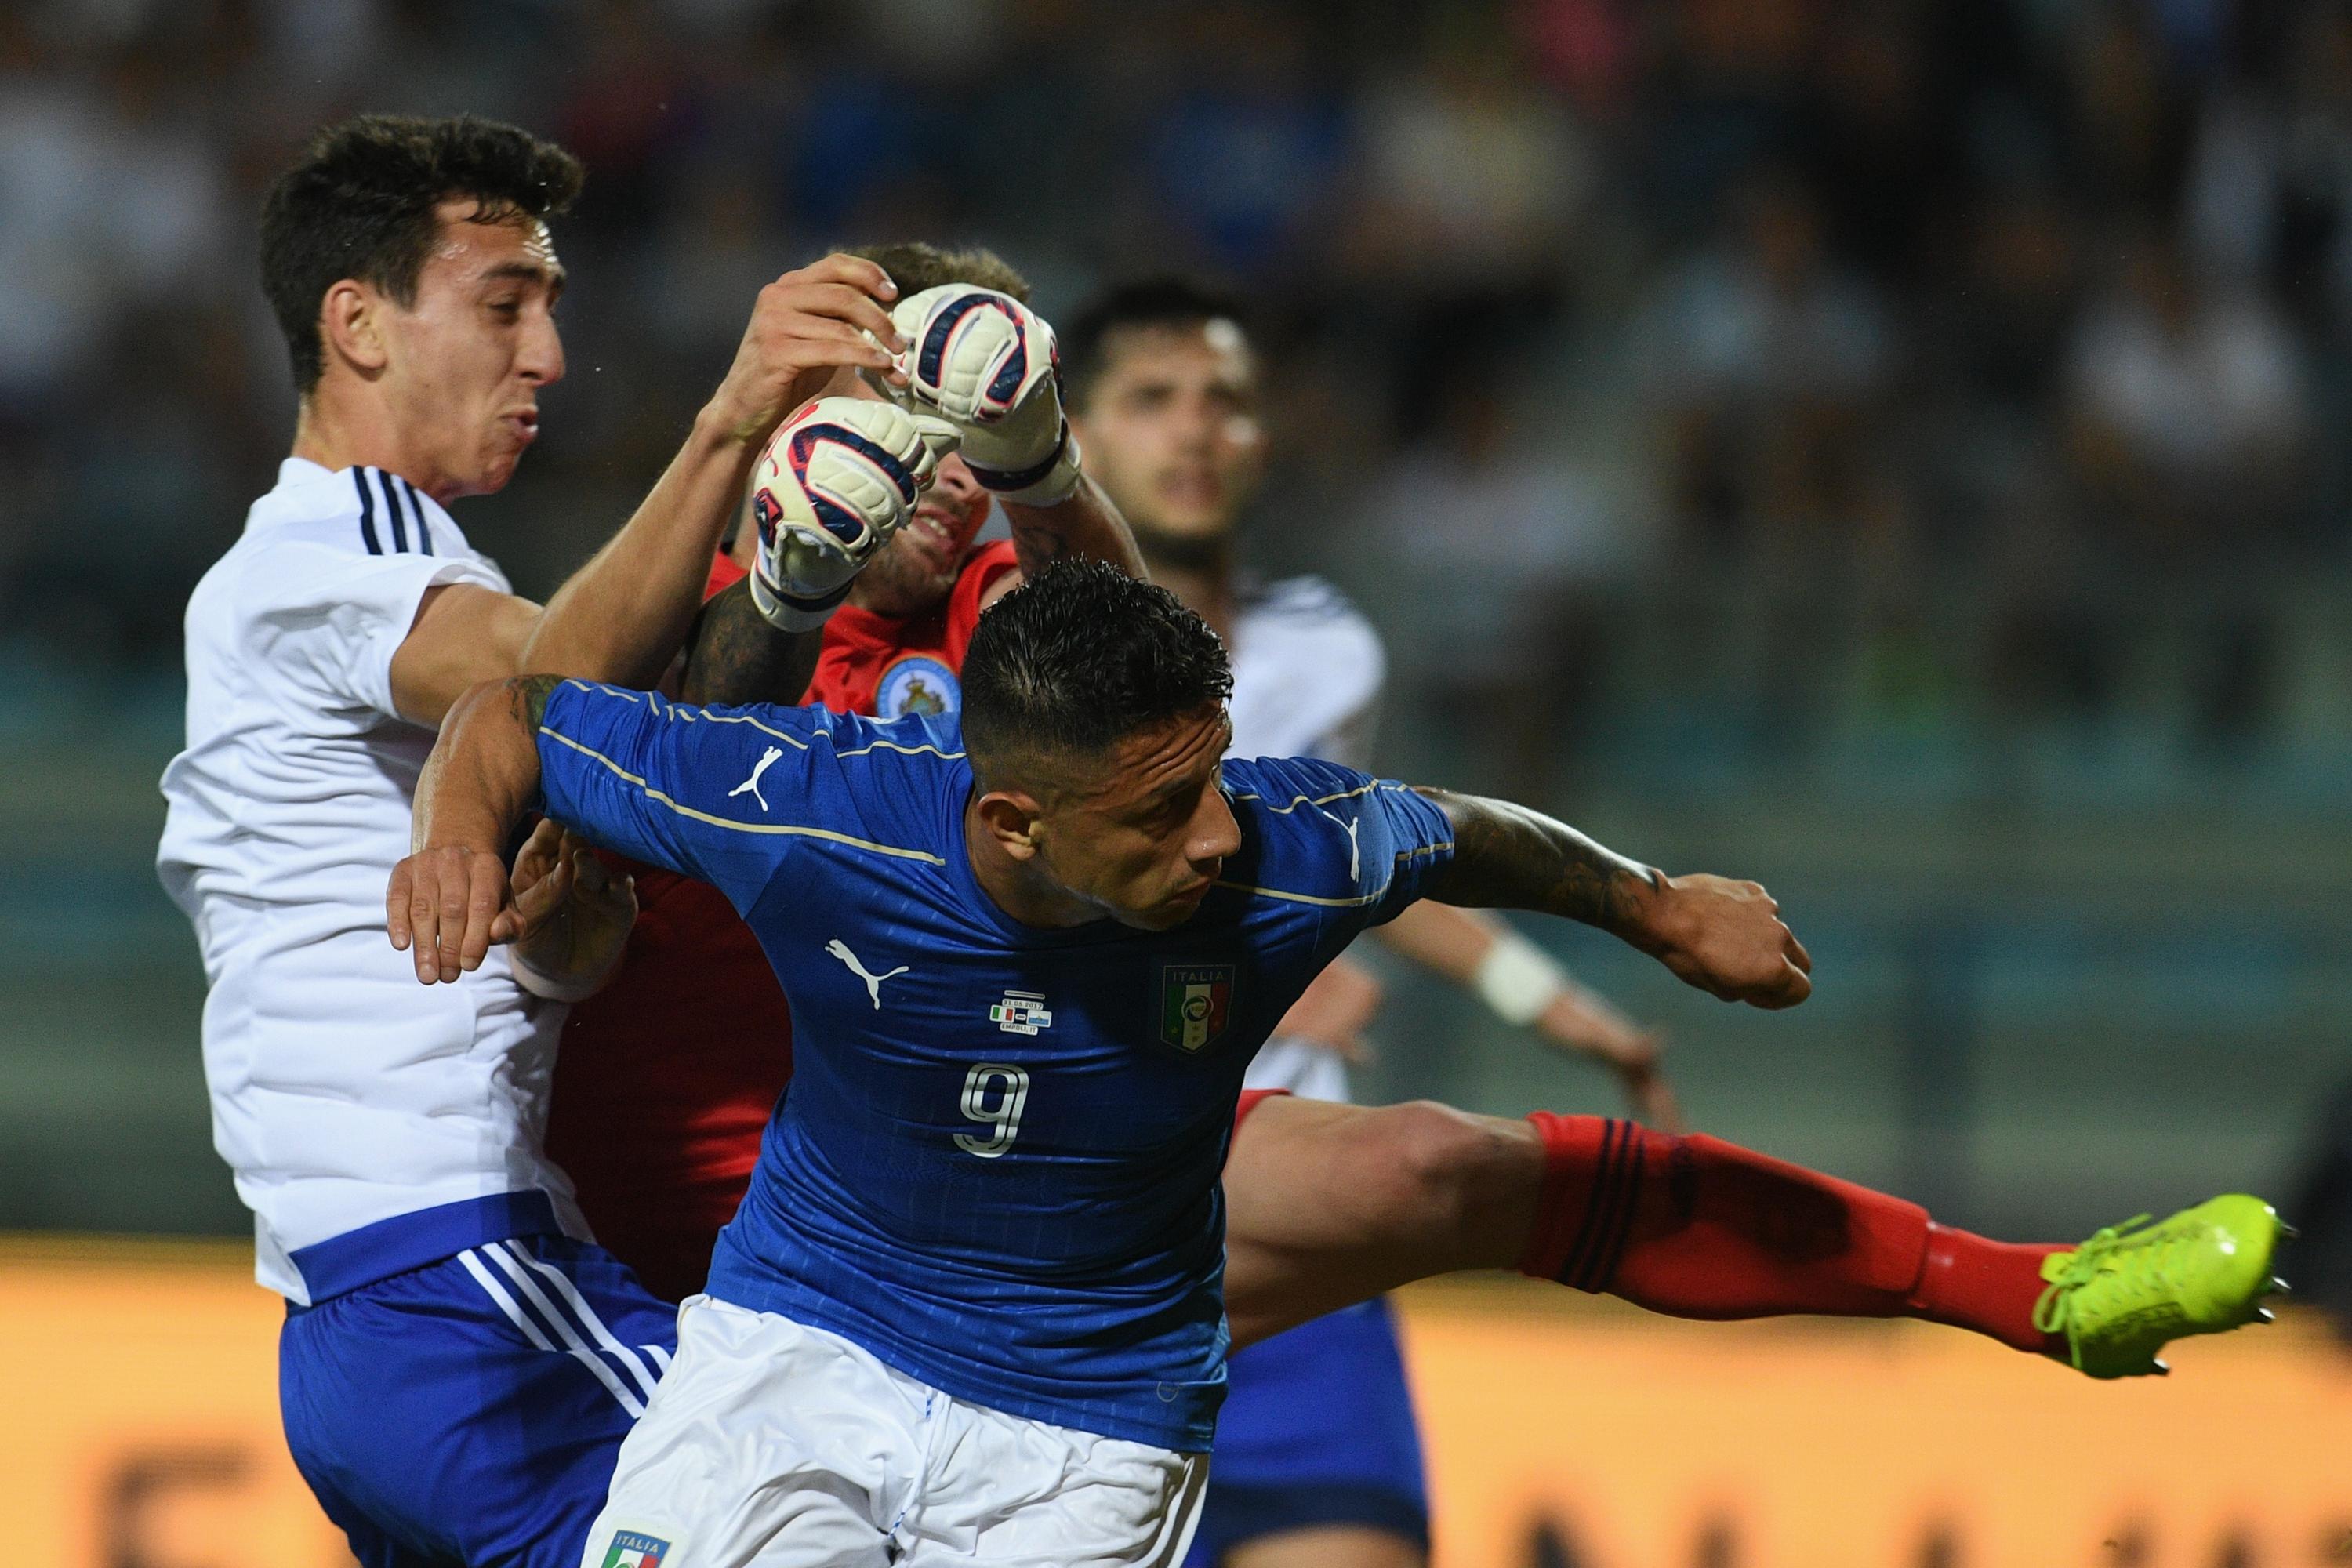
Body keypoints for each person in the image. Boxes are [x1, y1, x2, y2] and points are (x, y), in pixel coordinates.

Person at [396, 562, 2284, 1568]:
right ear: (1016, 827)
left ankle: (2029, 1291)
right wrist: (460, 833)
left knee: (1442, 1166)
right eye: (1161, 812)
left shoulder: (1287, 843)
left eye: (1216, 778)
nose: (1219, 840)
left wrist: (1656, 906)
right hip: (804, 1350)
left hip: (1081, 1424)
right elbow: (519, 712)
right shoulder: (825, 816)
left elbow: (1467, 829)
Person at [155, 114, 931, 1566]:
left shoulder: (370, 562)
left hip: (381, 1312)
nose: (548, 360)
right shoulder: (335, 547)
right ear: (358, 324)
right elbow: (563, 694)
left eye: (552, 312)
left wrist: (791, 564)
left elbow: (633, 731)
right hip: (462, 1276)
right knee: (879, 1517)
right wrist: (737, 419)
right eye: (504, 304)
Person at [1061, 275, 1665, 1568]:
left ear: (1265, 439)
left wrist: (1542, 997)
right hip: (1082, 1237)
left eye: (1223, 400)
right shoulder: (1006, 656)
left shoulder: (1326, 643)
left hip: (1292, 1235)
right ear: (1082, 435)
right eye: (1153, 399)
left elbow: (1361, 865)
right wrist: (1233, 967)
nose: (1194, 430)